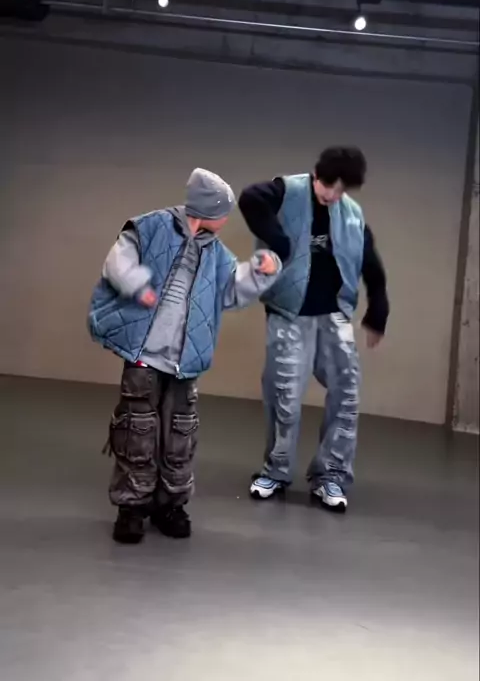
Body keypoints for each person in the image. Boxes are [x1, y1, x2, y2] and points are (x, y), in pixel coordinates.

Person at [88, 168, 281, 544]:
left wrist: (260, 272)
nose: (227, 219)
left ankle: (170, 505)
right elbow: (118, 263)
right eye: (224, 211)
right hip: (144, 354)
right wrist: (138, 286)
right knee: (136, 431)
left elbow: (231, 290)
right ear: (207, 209)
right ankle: (132, 507)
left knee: (180, 433)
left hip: (184, 361)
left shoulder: (216, 252)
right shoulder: (150, 228)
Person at [238, 147, 389, 512]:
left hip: (333, 313)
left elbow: (370, 263)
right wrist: (278, 240)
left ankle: (331, 476)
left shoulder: (351, 214)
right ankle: (276, 471)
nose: (333, 196)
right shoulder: (286, 191)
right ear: (316, 175)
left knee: (347, 394)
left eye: (341, 190)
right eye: (328, 187)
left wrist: (378, 309)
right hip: (290, 313)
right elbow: (249, 199)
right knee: (285, 394)